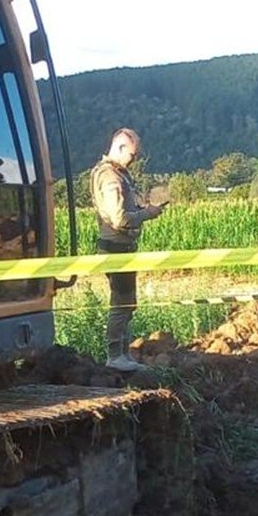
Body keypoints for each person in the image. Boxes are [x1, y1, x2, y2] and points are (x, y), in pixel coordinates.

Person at [89, 128, 168, 372]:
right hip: (117, 249)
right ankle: (116, 356)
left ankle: (123, 354)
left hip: (121, 248)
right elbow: (120, 218)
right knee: (121, 304)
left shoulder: (115, 174)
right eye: (132, 155)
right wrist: (148, 213)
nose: (134, 160)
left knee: (126, 303)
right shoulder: (111, 177)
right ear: (121, 147)